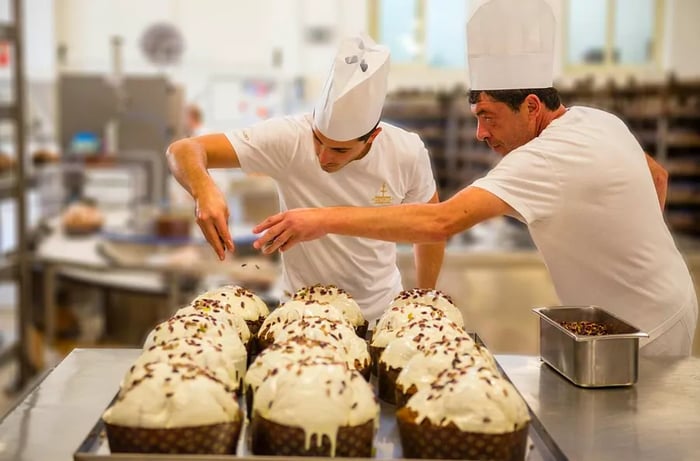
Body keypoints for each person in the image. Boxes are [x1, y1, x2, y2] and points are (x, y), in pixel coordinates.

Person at [252, 0, 697, 356]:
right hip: (657, 300)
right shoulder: (596, 120)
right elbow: (656, 177)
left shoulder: (542, 159)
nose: (480, 133)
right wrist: (636, 247)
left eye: (488, 117)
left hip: (643, 325)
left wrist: (322, 219)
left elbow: (438, 222)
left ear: (531, 106)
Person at [166, 34, 445, 322]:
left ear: (372, 137)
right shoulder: (289, 138)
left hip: (378, 315)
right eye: (318, 140)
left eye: (339, 149)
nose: (323, 156)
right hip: (299, 315)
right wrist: (204, 190)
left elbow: (430, 228)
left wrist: (424, 299)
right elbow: (184, 149)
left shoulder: (406, 152)